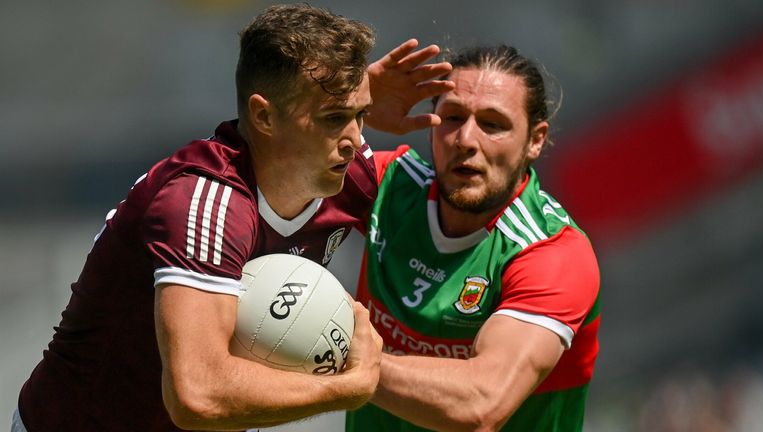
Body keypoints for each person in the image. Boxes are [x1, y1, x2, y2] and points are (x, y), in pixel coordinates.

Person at [14, 4, 455, 431]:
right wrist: (348, 387)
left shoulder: (348, 169)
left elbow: (464, 203)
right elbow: (198, 396)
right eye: (334, 118)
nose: (356, 138)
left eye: (361, 115)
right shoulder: (201, 202)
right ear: (264, 115)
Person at [346, 45, 601, 431]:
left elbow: (481, 404)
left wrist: (334, 348)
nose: (466, 139)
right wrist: (347, 109)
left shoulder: (552, 252)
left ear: (535, 140)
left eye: (493, 124)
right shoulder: (387, 186)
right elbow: (265, 166)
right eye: (452, 117)